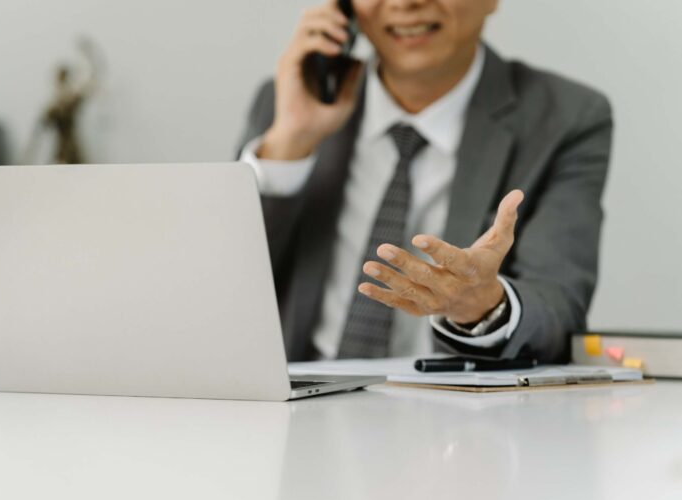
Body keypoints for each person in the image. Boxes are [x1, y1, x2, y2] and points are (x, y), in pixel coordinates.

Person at [236, 0, 613, 363]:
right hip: (298, 409)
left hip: (452, 413)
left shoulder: (566, 118)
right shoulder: (287, 103)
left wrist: (485, 306)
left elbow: (558, 306)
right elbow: (217, 290)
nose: (407, 2)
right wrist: (290, 142)